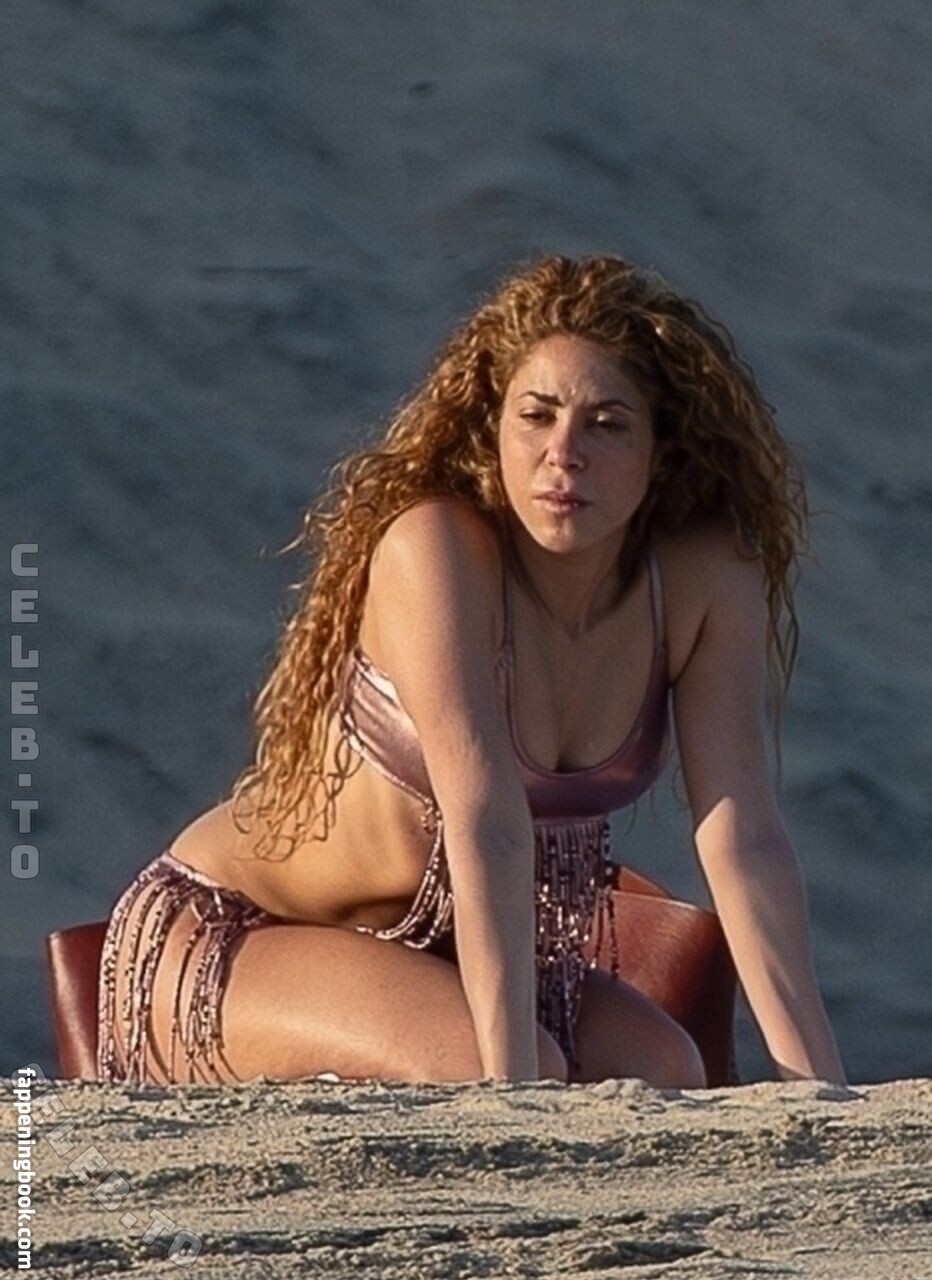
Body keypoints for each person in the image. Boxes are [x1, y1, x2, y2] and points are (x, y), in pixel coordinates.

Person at [97, 254, 847, 1090]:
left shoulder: (705, 580)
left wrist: (820, 1091)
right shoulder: (439, 551)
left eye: (607, 425)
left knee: (665, 1066)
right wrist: (513, 1097)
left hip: (441, 957)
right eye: (537, 416)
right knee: (520, 1070)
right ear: (494, 429)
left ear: (662, 452)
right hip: (237, 933)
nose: (564, 454)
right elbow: (485, 817)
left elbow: (742, 834)